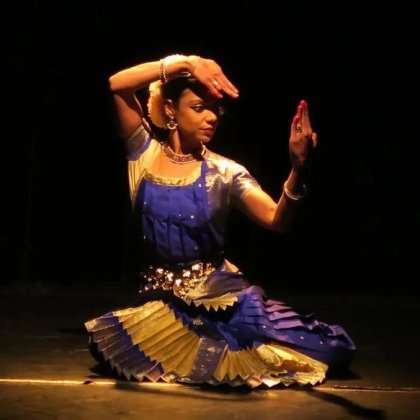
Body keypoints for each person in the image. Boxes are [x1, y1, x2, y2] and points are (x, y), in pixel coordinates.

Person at [85, 54, 355, 388]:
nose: (212, 117)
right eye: (200, 107)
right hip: (160, 306)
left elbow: (276, 220)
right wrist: (186, 63)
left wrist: (299, 168)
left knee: (330, 347)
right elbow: (117, 84)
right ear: (170, 109)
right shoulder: (143, 153)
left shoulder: (225, 173)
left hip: (220, 300)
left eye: (216, 109)